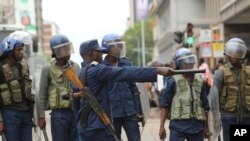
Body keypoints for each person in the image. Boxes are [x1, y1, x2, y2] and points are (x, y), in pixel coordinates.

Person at [74, 39, 173, 141]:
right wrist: (157, 70)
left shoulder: (78, 74)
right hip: (99, 128)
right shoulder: (97, 70)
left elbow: (75, 105)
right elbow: (125, 72)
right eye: (99, 52)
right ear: (90, 54)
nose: (102, 55)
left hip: (85, 127)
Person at [159, 48, 210, 141]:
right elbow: (165, 105)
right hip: (178, 127)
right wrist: (161, 126)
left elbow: (205, 106)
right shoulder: (172, 81)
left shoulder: (200, 80)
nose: (189, 65)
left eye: (190, 62)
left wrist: (206, 127)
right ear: (179, 64)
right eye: (185, 63)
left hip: (197, 128)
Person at [38, 34, 79, 141]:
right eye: (64, 49)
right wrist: (41, 116)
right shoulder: (47, 68)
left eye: (68, 48)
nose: (67, 52)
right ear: (56, 51)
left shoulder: (75, 66)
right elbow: (42, 94)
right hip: (59, 115)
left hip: (75, 112)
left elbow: (81, 89)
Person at [101, 33, 141, 141]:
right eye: (117, 46)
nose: (120, 48)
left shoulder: (127, 63)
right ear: (108, 48)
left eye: (121, 45)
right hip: (112, 113)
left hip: (129, 111)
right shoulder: (101, 67)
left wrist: (137, 110)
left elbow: (133, 88)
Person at [211, 38, 250, 141]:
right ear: (228, 53)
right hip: (229, 117)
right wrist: (215, 120)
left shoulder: (248, 72)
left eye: (239, 52)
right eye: (233, 52)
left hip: (246, 117)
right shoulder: (220, 73)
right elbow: (213, 98)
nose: (236, 55)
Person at [0, 34, 34, 141]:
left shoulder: (24, 66)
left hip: (26, 114)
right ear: (10, 52)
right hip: (10, 114)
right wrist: (0, 120)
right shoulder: (1, 69)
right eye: (18, 50)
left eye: (22, 49)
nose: (21, 52)